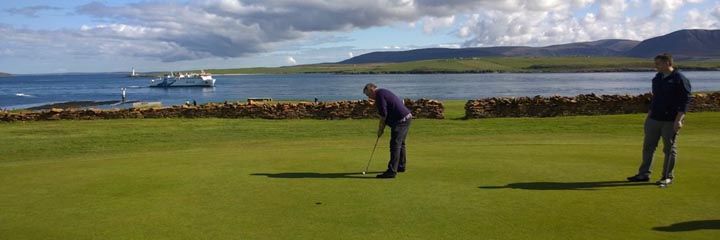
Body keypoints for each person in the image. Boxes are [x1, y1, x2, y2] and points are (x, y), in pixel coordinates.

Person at [627, 53, 692, 186]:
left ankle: (667, 176)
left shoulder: (680, 79)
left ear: (668, 63)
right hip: (654, 118)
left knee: (669, 148)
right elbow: (655, 99)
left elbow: (685, 101)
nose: (656, 66)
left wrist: (679, 119)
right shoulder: (657, 79)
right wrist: (649, 115)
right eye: (655, 64)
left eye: (658, 64)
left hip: (670, 119)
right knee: (648, 147)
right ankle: (644, 174)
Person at [363, 83, 412, 178]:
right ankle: (400, 166)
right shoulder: (382, 92)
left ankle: (392, 171)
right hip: (406, 117)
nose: (369, 97)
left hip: (401, 120)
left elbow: (383, 115)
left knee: (395, 145)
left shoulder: (379, 95)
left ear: (371, 90)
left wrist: (380, 129)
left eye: (368, 94)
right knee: (400, 144)